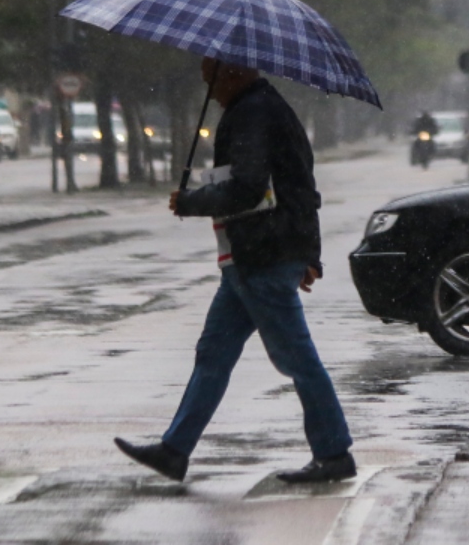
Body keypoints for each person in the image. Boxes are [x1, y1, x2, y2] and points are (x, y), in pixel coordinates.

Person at [114, 57, 356, 485]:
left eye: (211, 71)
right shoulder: (261, 108)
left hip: (263, 256)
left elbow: (249, 187)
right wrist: (308, 252)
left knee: (296, 358)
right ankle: (174, 450)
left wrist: (193, 201)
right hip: (251, 259)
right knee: (214, 353)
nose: (206, 79)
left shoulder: (254, 113)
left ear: (235, 70)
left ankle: (334, 451)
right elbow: (300, 185)